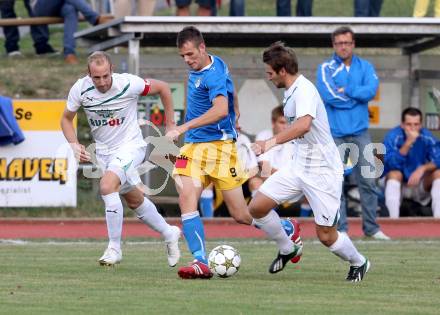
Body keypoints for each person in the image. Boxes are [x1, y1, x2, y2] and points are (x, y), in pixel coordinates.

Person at [166, 26, 302, 279]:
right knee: (187, 197)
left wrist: (183, 126)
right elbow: (229, 94)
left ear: (202, 48)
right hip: (193, 147)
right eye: (183, 56)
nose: (187, 60)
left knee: (241, 214)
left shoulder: (213, 74)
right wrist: (236, 110)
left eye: (190, 55)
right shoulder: (212, 64)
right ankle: (200, 261)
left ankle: (285, 226)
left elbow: (218, 109)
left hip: (219, 148)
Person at [249, 41, 370, 282]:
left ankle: (359, 262)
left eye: (270, 72)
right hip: (298, 166)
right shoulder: (290, 91)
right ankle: (288, 246)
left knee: (326, 236)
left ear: (283, 70)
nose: (268, 77)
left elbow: (303, 125)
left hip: (322, 171)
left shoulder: (304, 90)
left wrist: (269, 143)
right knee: (257, 208)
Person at [61, 51, 181, 267]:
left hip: (131, 147)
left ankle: (114, 248)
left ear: (112, 70)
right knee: (133, 199)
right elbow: (66, 119)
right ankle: (169, 232)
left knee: (107, 186)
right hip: (105, 153)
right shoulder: (80, 89)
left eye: (106, 76)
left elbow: (163, 88)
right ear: (89, 74)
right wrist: (74, 144)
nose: (102, 82)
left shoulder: (128, 84)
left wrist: (170, 124)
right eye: (97, 77)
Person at [316, 26, 390, 240]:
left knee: (369, 180)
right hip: (335, 134)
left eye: (347, 43)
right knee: (335, 183)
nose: (343, 47)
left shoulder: (366, 66)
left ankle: (372, 228)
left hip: (361, 132)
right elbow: (328, 96)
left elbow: (371, 91)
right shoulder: (325, 68)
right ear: (333, 45)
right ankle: (341, 229)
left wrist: (347, 90)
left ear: (353, 44)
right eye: (339, 43)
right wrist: (357, 98)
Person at [383, 107, 440, 218]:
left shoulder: (426, 136)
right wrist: (408, 143)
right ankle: (392, 220)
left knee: (438, 173)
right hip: (399, 185)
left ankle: (438, 221)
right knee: (394, 173)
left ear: (421, 125)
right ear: (402, 125)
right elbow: (390, 164)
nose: (413, 128)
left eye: (416, 124)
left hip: (419, 184)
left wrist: (422, 168)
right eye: (409, 124)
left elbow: (438, 158)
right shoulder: (392, 136)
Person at [31, 0, 111, 64]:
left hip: (61, 5)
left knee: (70, 9)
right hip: (39, 5)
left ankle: (69, 53)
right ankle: (96, 19)